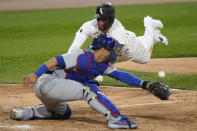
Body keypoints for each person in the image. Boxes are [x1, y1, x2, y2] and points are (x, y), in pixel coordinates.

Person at [10, 35, 171, 129]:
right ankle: (115, 119)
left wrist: (146, 84)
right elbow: (56, 60)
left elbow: (121, 75)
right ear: (102, 50)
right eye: (112, 50)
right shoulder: (82, 56)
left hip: (52, 93)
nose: (114, 52)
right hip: (47, 83)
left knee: (63, 112)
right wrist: (35, 74)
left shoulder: (102, 65)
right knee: (89, 89)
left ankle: (26, 113)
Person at [68, 2, 168, 82]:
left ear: (111, 19)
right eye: (98, 18)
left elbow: (111, 58)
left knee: (146, 58)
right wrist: (67, 63)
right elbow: (74, 47)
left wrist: (99, 72)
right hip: (122, 42)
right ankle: (154, 37)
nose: (100, 22)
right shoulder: (88, 26)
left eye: (103, 20)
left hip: (128, 46)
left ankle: (149, 26)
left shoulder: (117, 32)